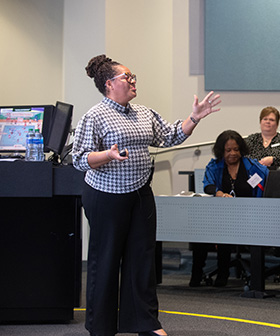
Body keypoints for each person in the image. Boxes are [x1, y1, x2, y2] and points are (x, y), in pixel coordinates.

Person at [72, 54, 221, 336]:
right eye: (126, 77)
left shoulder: (143, 113)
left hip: (140, 194)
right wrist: (108, 155)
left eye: (133, 76)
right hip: (106, 196)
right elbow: (78, 159)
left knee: (142, 258)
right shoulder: (95, 116)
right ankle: (101, 327)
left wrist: (195, 118)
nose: (132, 81)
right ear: (108, 84)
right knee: (106, 259)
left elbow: (171, 135)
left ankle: (146, 323)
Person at [189, 130, 269, 288]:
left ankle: (224, 274)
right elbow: (207, 186)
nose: (233, 153)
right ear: (221, 151)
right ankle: (196, 274)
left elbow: (270, 179)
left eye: (236, 149)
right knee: (200, 231)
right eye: (228, 150)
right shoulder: (214, 166)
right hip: (222, 216)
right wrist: (218, 192)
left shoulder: (252, 167)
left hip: (249, 216)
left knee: (224, 231)